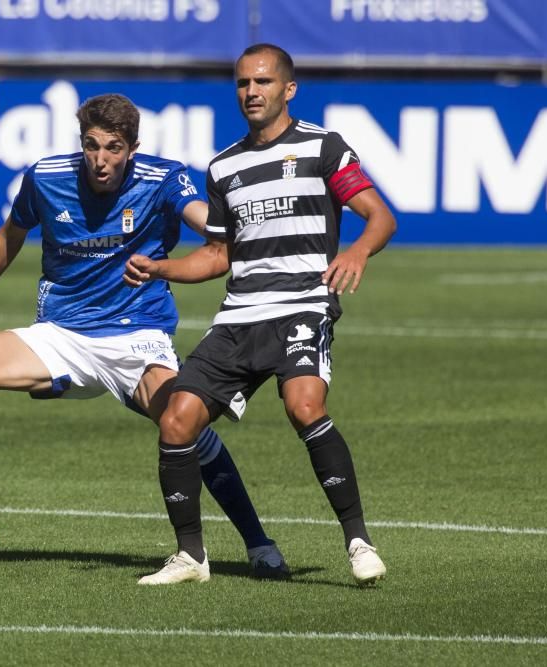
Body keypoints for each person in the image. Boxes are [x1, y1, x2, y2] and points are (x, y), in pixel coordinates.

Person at [0, 92, 290, 578]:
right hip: (61, 336)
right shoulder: (46, 178)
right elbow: (9, 236)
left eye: (112, 148)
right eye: (91, 145)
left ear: (132, 147)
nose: (100, 159)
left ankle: (257, 543)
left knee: (185, 424)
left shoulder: (163, 178)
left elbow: (206, 223)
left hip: (138, 339)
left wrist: (248, 226)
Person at [125, 44, 397, 586]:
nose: (252, 92)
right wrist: (162, 269)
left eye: (264, 82)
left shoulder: (323, 148)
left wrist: (358, 250)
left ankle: (359, 541)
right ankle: (190, 558)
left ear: (288, 89)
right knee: (177, 420)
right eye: (244, 83)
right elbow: (220, 256)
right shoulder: (224, 166)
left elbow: (379, 216)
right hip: (239, 315)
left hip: (302, 303)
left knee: (303, 406)